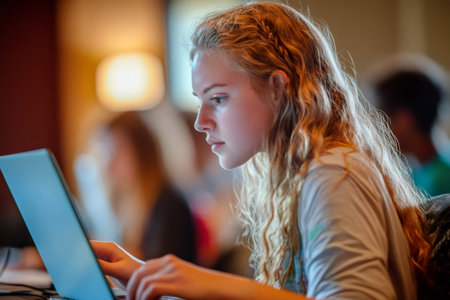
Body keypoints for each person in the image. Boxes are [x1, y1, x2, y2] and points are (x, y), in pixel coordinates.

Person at [91, 3, 431, 299]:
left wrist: (214, 285)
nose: (200, 122)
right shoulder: (302, 174)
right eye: (200, 102)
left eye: (218, 99)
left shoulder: (332, 173)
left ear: (277, 89)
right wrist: (151, 275)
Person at [97, 111, 197, 263]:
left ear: (142, 153)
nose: (109, 164)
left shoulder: (170, 204)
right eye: (107, 154)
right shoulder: (126, 200)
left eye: (117, 152)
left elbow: (159, 267)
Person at [365, 55, 450, 196]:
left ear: (405, 120)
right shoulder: (414, 172)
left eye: (382, 119)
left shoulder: (442, 181)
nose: (377, 130)